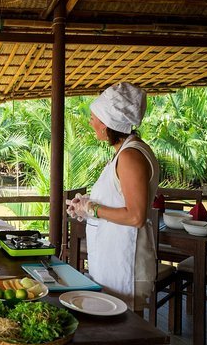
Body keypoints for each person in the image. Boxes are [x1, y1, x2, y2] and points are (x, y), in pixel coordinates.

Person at [65, 82, 159, 311]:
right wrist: (85, 206)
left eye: (94, 117)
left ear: (107, 123)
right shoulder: (123, 153)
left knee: (125, 330)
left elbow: (135, 216)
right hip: (113, 257)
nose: (91, 122)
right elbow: (118, 201)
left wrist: (92, 209)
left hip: (125, 261)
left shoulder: (130, 156)